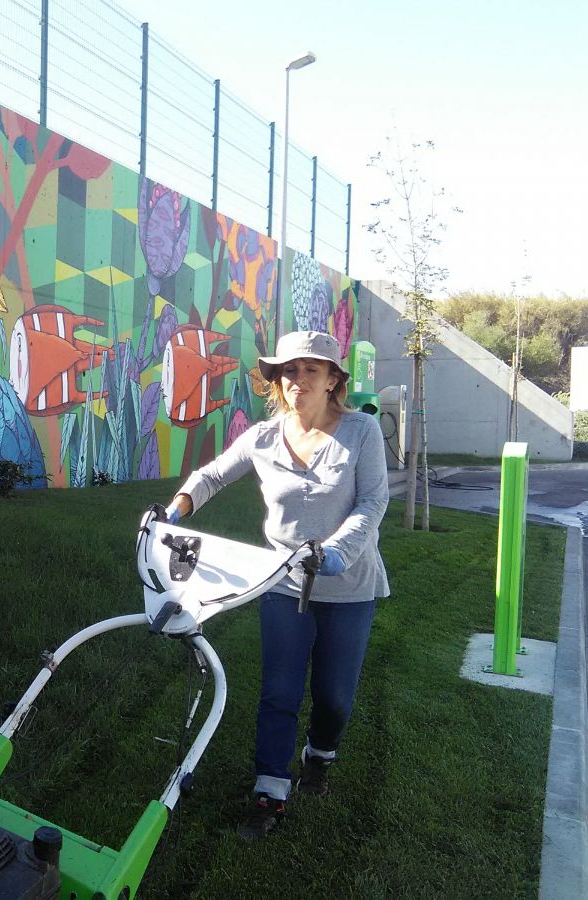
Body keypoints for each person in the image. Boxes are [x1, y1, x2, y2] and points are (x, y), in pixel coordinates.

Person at [165, 330, 389, 840]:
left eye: (311, 369)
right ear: (278, 381)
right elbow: (212, 476)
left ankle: (320, 754)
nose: (298, 380)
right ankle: (270, 789)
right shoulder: (264, 436)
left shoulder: (361, 432)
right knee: (279, 691)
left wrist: (335, 553)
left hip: (347, 584)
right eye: (289, 371)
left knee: (334, 699)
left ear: (334, 379)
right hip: (285, 585)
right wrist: (173, 511)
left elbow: (373, 503)